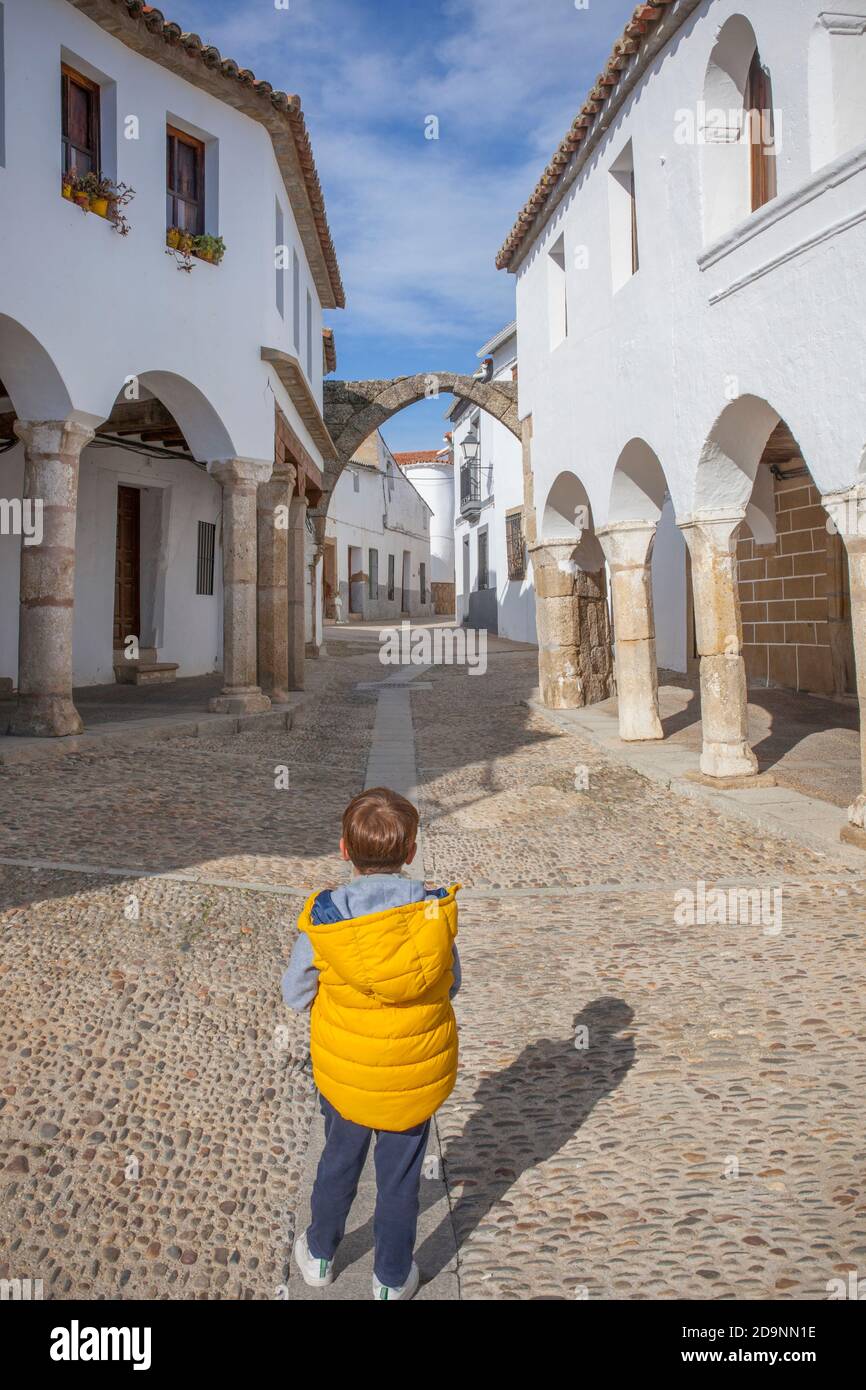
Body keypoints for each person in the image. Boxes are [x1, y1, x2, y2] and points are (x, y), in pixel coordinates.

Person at [282, 786, 460, 1300]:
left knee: (338, 1161)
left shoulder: (324, 921)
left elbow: (295, 994)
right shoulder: (434, 916)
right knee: (402, 1179)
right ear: (410, 852)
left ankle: (318, 1255)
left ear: (343, 849)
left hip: (347, 1075)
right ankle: (389, 1278)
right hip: (412, 1076)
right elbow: (451, 984)